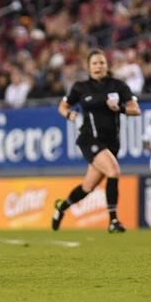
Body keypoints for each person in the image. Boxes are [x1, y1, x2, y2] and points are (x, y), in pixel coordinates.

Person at [52, 48, 141, 233]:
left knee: (88, 187)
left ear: (107, 65)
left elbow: (135, 109)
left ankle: (61, 206)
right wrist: (68, 114)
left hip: (111, 143)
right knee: (114, 170)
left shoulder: (118, 86)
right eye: (94, 63)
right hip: (89, 139)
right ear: (88, 67)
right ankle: (113, 221)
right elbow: (62, 106)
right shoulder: (81, 87)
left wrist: (120, 108)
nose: (98, 66)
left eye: (101, 62)